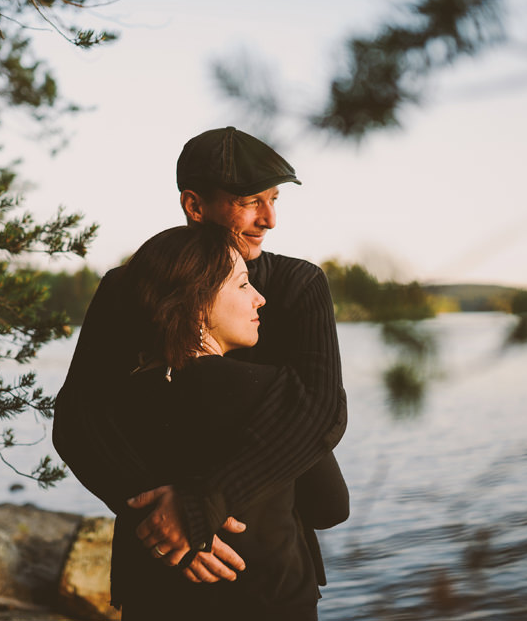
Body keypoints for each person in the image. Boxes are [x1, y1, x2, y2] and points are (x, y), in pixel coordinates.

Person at [53, 126, 349, 615]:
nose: (269, 218)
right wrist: (162, 524)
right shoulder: (126, 288)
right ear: (195, 205)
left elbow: (318, 414)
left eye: (273, 200)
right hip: (161, 571)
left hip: (267, 571)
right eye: (251, 201)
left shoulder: (298, 285)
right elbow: (79, 421)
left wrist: (203, 505)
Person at [108, 224, 322, 620]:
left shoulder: (113, 401)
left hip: (151, 602)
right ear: (197, 302)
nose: (260, 298)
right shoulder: (273, 390)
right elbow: (331, 506)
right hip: (268, 603)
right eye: (243, 286)